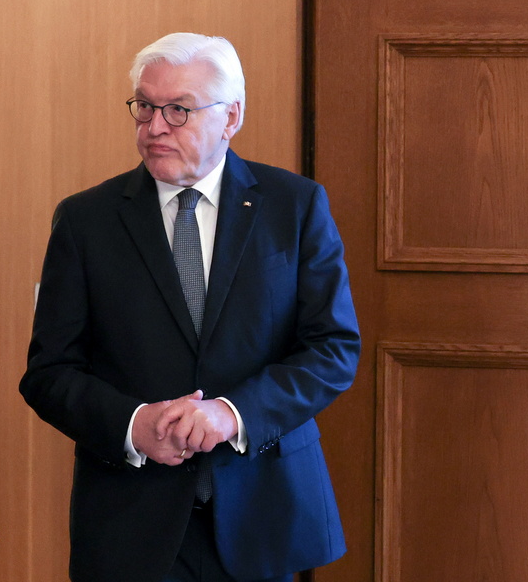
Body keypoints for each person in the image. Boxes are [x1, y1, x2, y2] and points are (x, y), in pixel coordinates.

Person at [19, 33, 360, 582]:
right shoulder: (86, 222)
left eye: (178, 110)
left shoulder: (293, 208)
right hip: (131, 523)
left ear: (231, 117)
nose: (154, 127)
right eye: (145, 107)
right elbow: (49, 373)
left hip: (264, 513)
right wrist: (134, 424)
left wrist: (232, 414)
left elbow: (333, 350)